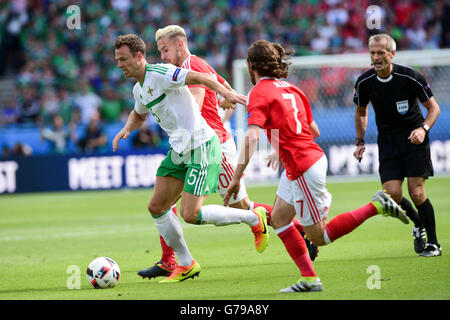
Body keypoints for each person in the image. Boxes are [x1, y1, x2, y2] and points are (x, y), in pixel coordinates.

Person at [224, 39, 408, 293]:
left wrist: (236, 177)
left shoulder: (259, 92)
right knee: (278, 219)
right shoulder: (292, 89)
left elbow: (253, 136)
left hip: (302, 167)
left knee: (320, 236)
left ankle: (377, 206)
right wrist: (282, 147)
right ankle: (309, 279)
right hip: (303, 161)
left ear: (251, 66)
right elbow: (313, 130)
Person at [137, 25, 318, 280]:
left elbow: (197, 105)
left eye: (165, 50)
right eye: (160, 51)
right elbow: (229, 93)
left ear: (179, 44)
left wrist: (205, 127)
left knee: (241, 205)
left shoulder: (193, 65)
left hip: (211, 146)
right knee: (165, 202)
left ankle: (299, 229)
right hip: (207, 141)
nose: (163, 56)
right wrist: (222, 114)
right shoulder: (198, 64)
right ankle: (170, 260)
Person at [112, 34, 268, 283]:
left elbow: (201, 77)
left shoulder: (162, 72)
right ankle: (185, 263)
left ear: (138, 57)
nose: (119, 64)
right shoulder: (139, 88)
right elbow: (139, 114)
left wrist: (226, 94)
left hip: (201, 145)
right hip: (179, 150)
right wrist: (126, 129)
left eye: (123, 59)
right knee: (156, 207)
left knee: (190, 214)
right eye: (117, 60)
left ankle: (253, 217)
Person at [353, 33, 441, 257]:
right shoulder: (364, 82)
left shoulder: (410, 77)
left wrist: (423, 129)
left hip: (414, 138)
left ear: (392, 54)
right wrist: (360, 140)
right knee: (392, 194)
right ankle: (418, 224)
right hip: (388, 142)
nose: (376, 57)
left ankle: (434, 244)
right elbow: (361, 112)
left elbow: (434, 109)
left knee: (417, 193)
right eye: (372, 53)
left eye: (381, 52)